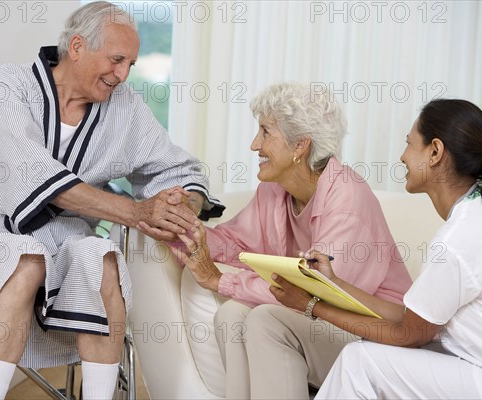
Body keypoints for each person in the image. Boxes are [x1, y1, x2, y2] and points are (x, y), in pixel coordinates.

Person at [0, 2, 223, 399]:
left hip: (69, 240)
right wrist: (135, 211)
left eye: (130, 63)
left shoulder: (124, 106)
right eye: (116, 60)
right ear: (77, 46)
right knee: (26, 258)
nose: (123, 74)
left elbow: (179, 170)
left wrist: (182, 206)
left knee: (103, 258)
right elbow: (32, 177)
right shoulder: (9, 86)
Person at [173, 82, 413, 398]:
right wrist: (180, 227)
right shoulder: (274, 191)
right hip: (318, 321)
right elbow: (235, 243)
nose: (254, 144)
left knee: (264, 320)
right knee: (232, 315)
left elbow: (317, 289)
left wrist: (222, 282)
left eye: (265, 132)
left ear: (300, 145)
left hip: (374, 337)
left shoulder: (348, 197)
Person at [270, 99, 482, 399]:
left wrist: (312, 306)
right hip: (475, 368)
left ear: (435, 152)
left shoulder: (460, 236)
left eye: (409, 144)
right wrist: (335, 282)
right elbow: (411, 318)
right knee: (362, 356)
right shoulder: (473, 218)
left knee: (360, 361)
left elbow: (408, 335)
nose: (401, 156)